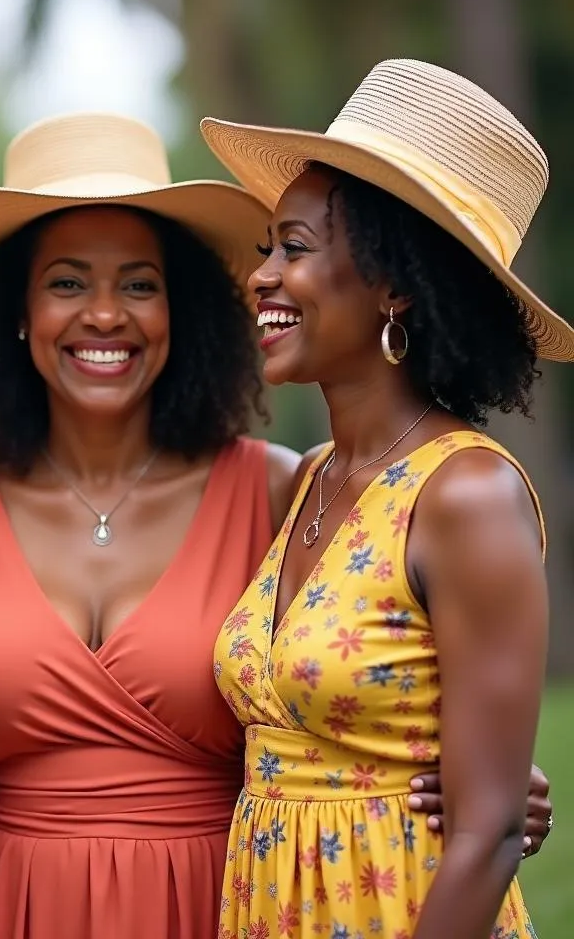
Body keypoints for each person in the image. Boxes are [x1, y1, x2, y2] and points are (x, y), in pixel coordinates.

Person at [0, 112, 554, 938]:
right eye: (66, 283)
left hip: (220, 897)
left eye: (140, 284)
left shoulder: (282, 491)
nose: (103, 314)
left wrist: (484, 785)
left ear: (187, 312)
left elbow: (359, 704)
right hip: (11, 898)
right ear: (13, 313)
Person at [202, 57, 569, 938]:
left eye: (294, 247)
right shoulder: (309, 480)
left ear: (395, 283)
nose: (261, 276)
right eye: (266, 249)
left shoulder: (466, 494)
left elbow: (485, 835)